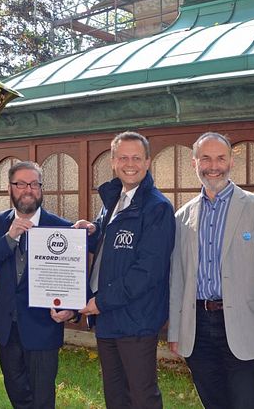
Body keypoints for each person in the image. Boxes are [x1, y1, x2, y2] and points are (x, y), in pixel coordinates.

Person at [168, 132, 254, 409]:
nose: (213, 165)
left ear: (230, 162)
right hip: (198, 328)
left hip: (243, 325)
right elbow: (177, 277)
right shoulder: (183, 216)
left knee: (247, 402)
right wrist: (176, 331)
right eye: (205, 158)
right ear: (194, 163)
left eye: (220, 158)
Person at [77, 131, 175, 409]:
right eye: (122, 157)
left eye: (136, 157)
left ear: (147, 162)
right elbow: (113, 247)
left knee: (141, 397)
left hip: (135, 318)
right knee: (116, 396)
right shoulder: (115, 199)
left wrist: (100, 302)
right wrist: (92, 231)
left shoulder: (157, 208)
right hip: (108, 317)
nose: (129, 163)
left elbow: (147, 271)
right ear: (112, 161)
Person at [0, 161, 75, 409]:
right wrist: (9, 238)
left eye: (33, 184)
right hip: (7, 328)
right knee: (17, 396)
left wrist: (71, 310)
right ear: (10, 188)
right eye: (20, 184)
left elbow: (75, 277)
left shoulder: (61, 227)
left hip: (43, 327)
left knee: (42, 400)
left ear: (41, 189)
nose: (27, 189)